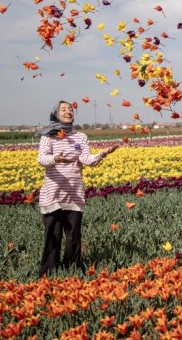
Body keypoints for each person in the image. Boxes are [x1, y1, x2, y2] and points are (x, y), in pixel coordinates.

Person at [37, 100, 118, 277]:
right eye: (64, 109)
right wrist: (55, 159)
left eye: (71, 109)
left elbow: (86, 159)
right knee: (53, 235)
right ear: (56, 114)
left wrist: (102, 154)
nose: (68, 112)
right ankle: (48, 273)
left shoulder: (80, 137)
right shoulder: (48, 135)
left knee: (73, 236)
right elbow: (42, 159)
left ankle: (71, 271)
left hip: (74, 193)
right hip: (54, 193)